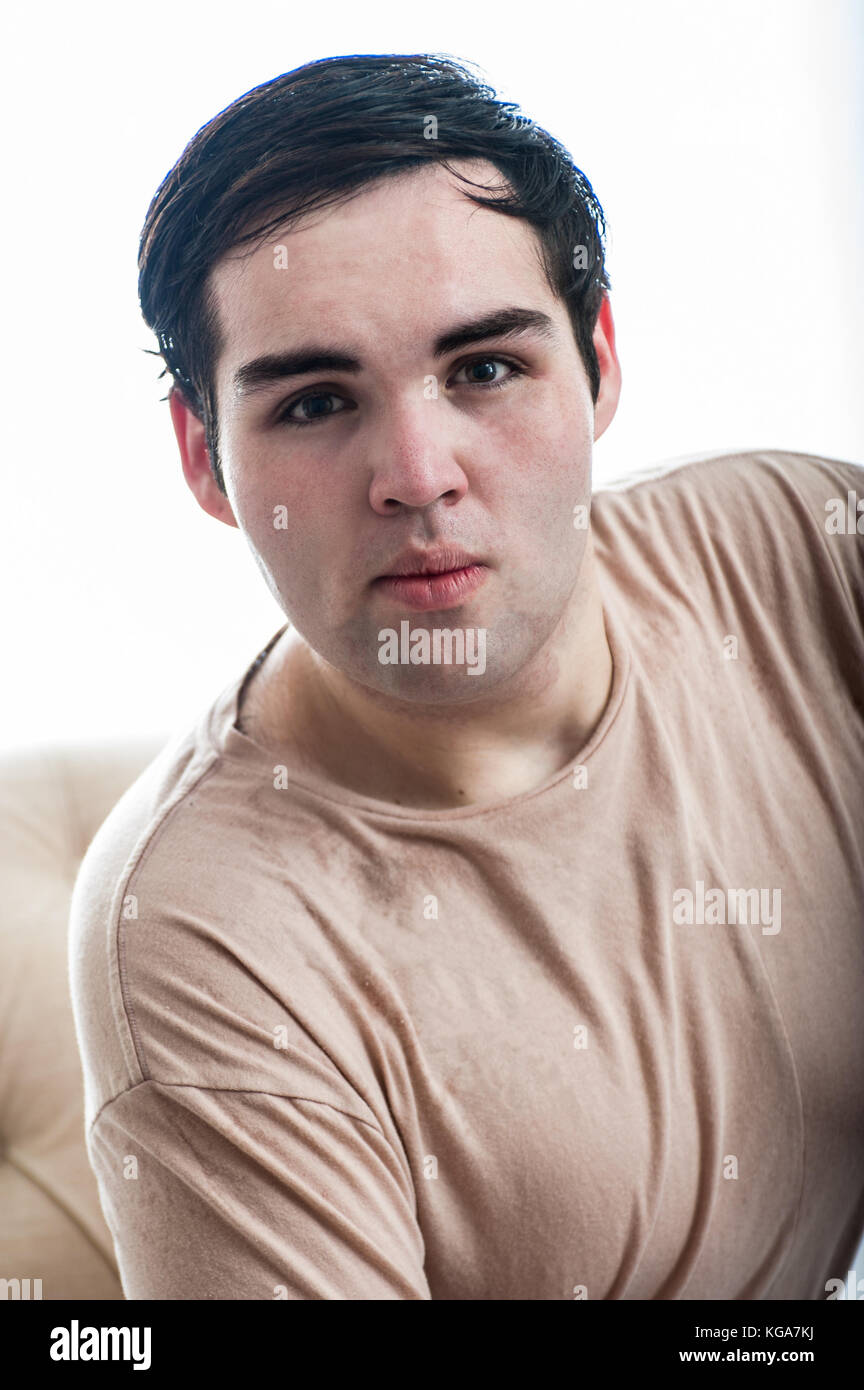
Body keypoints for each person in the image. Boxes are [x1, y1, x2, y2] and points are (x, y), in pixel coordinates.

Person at [69, 52, 864, 1300]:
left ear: (598, 361)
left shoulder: (805, 547)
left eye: (485, 368)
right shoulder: (197, 938)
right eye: (317, 401)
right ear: (206, 460)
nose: (419, 472)